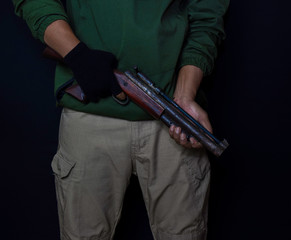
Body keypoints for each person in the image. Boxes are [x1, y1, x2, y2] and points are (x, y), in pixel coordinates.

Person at [13, 0, 229, 239]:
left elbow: (207, 17)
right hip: (89, 119)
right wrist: (77, 56)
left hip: (173, 120)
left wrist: (185, 95)